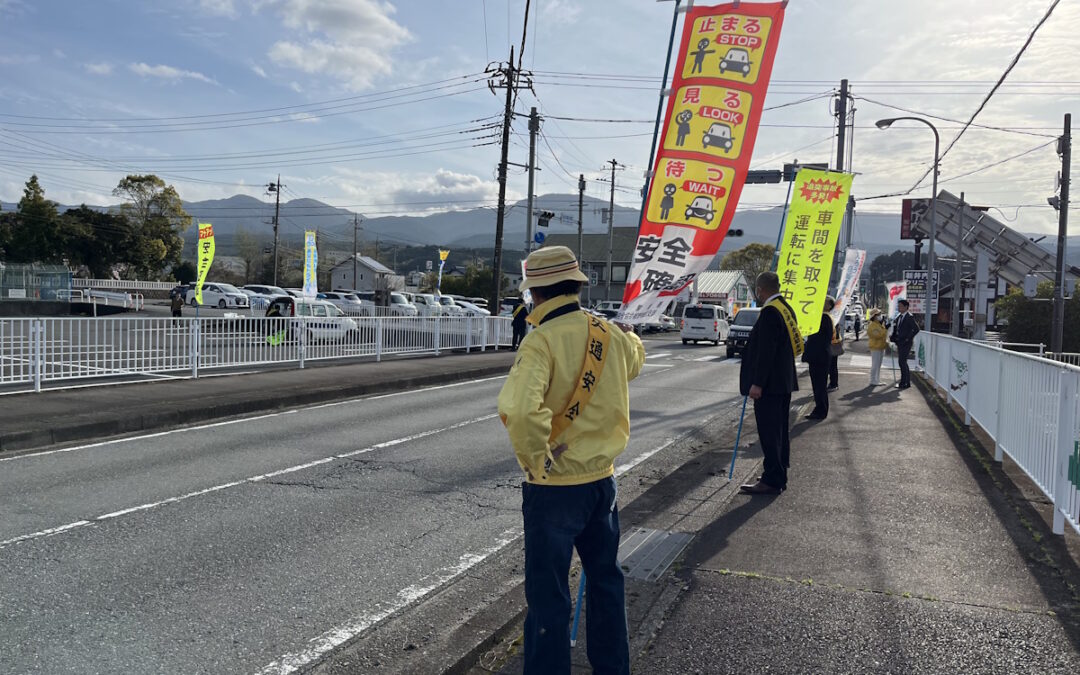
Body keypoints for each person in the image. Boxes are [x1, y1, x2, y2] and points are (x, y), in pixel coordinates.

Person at [497, 245, 645, 675]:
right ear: (577, 286)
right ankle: (613, 667)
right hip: (604, 481)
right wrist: (629, 333)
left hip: (555, 489)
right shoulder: (608, 334)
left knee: (549, 595)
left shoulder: (540, 339)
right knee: (605, 581)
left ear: (537, 294)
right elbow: (635, 361)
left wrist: (536, 462)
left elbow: (522, 410)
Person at [739, 272, 802, 495]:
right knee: (780, 431)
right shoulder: (786, 308)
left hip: (769, 385)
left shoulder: (770, 312)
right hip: (783, 381)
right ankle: (778, 474)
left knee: (769, 432)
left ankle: (772, 479)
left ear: (760, 289)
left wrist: (757, 383)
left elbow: (766, 352)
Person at [803, 297, 834, 420]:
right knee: (818, 385)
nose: (822, 301)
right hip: (819, 356)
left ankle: (821, 410)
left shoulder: (824, 317)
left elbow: (817, 338)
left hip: (820, 356)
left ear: (829, 306)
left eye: (825, 301)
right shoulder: (823, 317)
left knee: (819, 385)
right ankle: (820, 408)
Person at [891, 299, 920, 389]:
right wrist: (894, 336)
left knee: (902, 362)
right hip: (900, 342)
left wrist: (908, 338)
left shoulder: (909, 317)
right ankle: (906, 382)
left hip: (906, 343)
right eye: (898, 306)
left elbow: (916, 329)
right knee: (903, 362)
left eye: (900, 306)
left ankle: (904, 382)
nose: (899, 308)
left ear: (906, 307)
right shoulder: (899, 316)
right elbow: (897, 328)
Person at [867, 308, 888, 386]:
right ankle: (873, 380)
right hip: (875, 347)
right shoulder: (872, 325)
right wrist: (885, 330)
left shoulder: (879, 324)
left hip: (881, 346)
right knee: (875, 364)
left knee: (879, 365)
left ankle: (877, 379)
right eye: (878, 314)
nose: (880, 316)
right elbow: (877, 335)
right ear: (875, 316)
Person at [828, 312, 842, 392]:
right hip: (834, 345)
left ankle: (833, 384)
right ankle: (833, 383)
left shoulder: (832, 321)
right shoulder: (834, 320)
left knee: (832, 366)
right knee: (832, 366)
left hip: (832, 346)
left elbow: (833, 335)